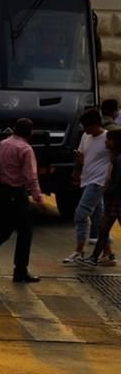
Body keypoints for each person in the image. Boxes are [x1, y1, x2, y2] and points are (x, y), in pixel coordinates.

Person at [0, 119, 46, 283]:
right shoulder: (25, 149)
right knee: (25, 232)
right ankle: (20, 270)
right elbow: (31, 176)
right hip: (16, 192)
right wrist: (38, 197)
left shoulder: (1, 144)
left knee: (5, 228)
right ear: (30, 133)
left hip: (1, 190)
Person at [64, 108, 114, 264]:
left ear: (95, 124)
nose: (84, 130)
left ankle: (79, 250)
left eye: (86, 126)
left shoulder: (108, 138)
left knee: (80, 214)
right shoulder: (86, 136)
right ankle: (108, 254)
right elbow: (81, 156)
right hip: (87, 180)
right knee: (99, 220)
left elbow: (115, 159)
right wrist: (77, 173)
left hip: (98, 182)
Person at [82, 127, 121, 267]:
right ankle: (94, 258)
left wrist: (107, 192)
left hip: (116, 200)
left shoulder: (118, 159)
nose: (106, 143)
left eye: (108, 140)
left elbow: (117, 182)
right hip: (114, 199)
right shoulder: (114, 157)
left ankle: (94, 258)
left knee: (104, 230)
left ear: (115, 142)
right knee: (103, 230)